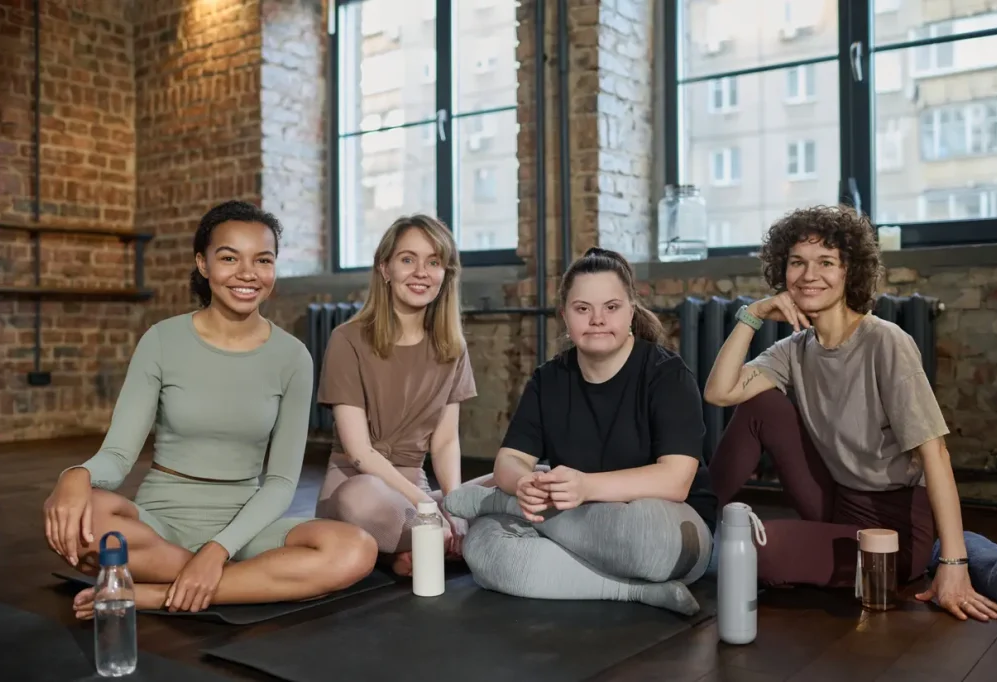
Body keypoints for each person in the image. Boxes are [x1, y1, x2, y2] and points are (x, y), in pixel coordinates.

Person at [42, 201, 378, 620]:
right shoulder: (161, 340)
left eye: (263, 260)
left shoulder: (294, 357)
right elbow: (118, 456)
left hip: (247, 526)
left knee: (356, 549)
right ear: (203, 264)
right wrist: (75, 475)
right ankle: (244, 583)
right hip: (160, 527)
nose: (247, 273)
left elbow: (280, 481)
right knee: (83, 520)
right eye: (229, 258)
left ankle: (154, 595)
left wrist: (218, 549)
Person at [703, 205, 997, 623]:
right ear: (782, 271)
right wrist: (751, 315)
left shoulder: (885, 342)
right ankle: (695, 525)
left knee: (753, 550)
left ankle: (944, 551)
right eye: (797, 263)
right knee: (759, 402)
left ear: (849, 272)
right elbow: (720, 392)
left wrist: (956, 568)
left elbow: (936, 455)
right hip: (838, 498)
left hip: (893, 527)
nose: (810, 275)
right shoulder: (795, 349)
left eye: (826, 262)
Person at [442, 247, 717, 615]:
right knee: (484, 547)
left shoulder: (667, 374)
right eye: (583, 308)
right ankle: (635, 591)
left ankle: (499, 503)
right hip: (580, 518)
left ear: (632, 311)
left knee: (655, 542)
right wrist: (522, 483)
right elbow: (509, 460)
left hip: (663, 526)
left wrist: (584, 487)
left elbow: (675, 481)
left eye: (611, 307)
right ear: (565, 317)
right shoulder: (549, 379)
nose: (597, 319)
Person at [315, 214, 481, 577]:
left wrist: (452, 505)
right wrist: (427, 507)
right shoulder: (347, 339)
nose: (421, 272)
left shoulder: (452, 347)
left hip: (413, 491)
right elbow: (359, 453)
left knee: (524, 477)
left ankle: (413, 549)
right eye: (408, 259)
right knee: (361, 498)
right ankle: (436, 545)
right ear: (385, 268)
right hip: (360, 488)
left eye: (434, 262)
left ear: (445, 274)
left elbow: (446, 442)